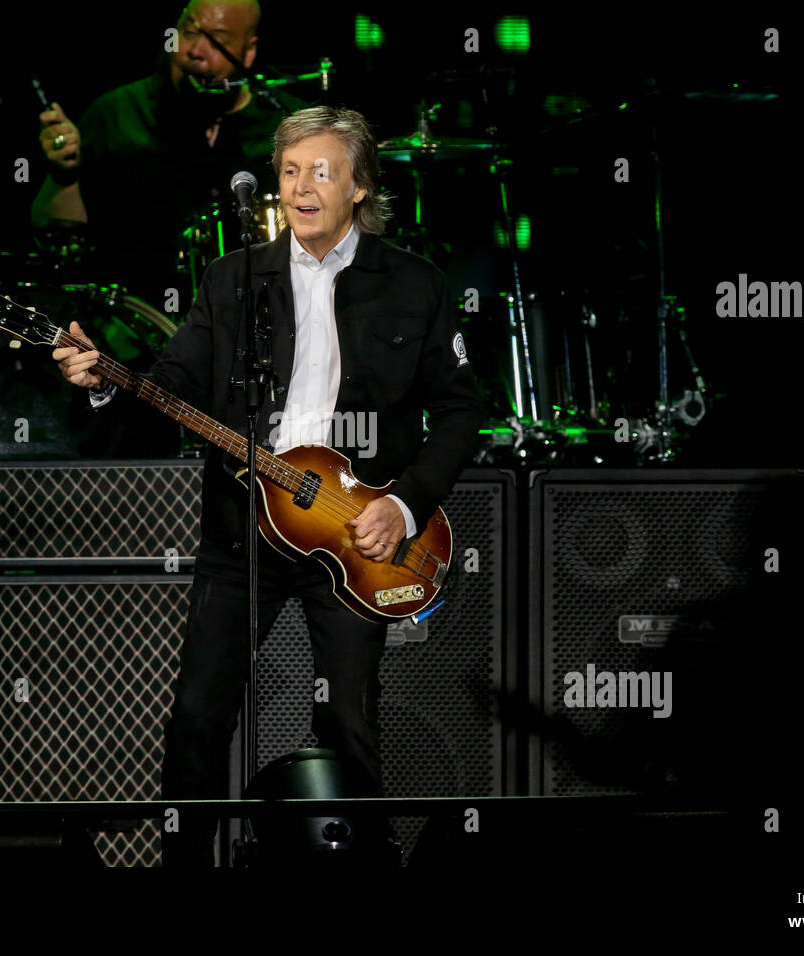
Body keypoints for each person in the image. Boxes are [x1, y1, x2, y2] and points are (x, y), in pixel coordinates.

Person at [53, 105, 484, 866]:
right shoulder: (232, 282)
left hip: (356, 533)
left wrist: (404, 501)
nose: (301, 187)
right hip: (239, 532)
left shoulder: (415, 284)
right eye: (289, 172)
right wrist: (102, 381)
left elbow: (458, 411)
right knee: (195, 715)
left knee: (349, 719)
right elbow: (172, 384)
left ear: (358, 187)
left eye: (320, 171)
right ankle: (187, 873)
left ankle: (361, 870)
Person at [32, 0, 304, 306]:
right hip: (138, 325)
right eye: (188, 33)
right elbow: (57, 236)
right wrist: (63, 173)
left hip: (264, 321)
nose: (195, 51)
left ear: (249, 51)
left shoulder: (287, 125)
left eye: (217, 41)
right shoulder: (118, 113)